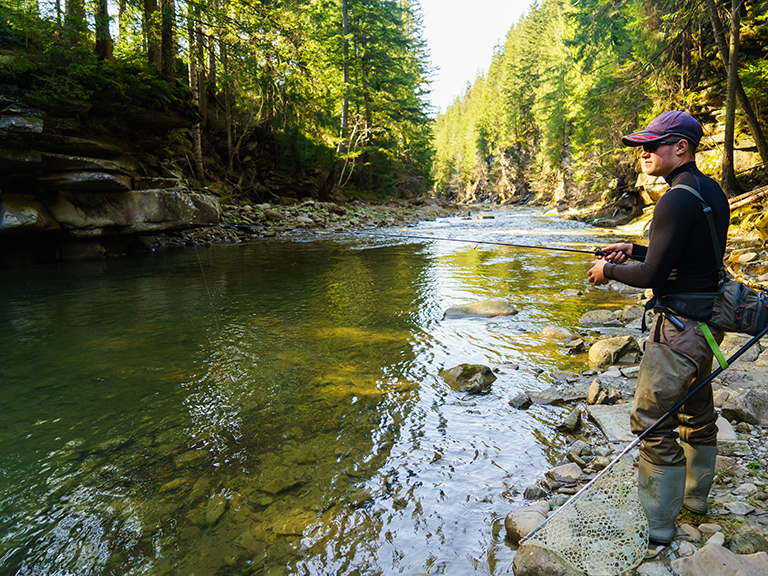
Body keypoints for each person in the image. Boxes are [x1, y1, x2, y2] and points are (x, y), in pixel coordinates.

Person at [587, 110, 730, 544]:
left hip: (679, 331)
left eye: (653, 145)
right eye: (641, 146)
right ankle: (696, 501)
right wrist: (635, 246)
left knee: (651, 420)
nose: (644, 153)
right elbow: (687, 253)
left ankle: (659, 528)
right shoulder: (709, 191)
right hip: (708, 326)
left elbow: (651, 276)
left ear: (681, 147)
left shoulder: (672, 199)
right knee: (697, 412)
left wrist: (607, 272)